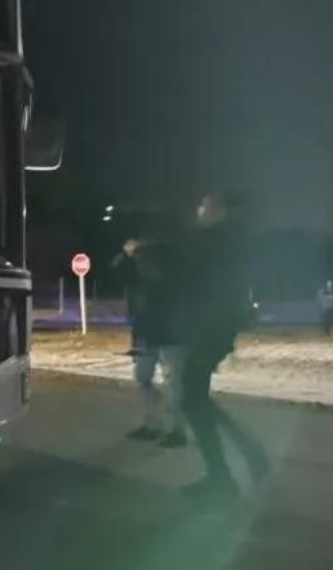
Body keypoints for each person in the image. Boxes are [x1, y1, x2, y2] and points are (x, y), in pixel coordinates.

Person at [174, 193, 268, 501]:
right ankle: (247, 456)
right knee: (195, 400)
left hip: (208, 331)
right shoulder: (230, 241)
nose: (199, 210)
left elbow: (198, 285)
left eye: (204, 206)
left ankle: (222, 480)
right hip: (214, 330)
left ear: (219, 211)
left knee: (192, 401)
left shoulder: (216, 243)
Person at [114, 237, 186, 446]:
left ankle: (176, 429)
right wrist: (126, 256)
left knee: (173, 383)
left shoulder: (174, 277)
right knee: (143, 377)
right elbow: (116, 272)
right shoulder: (139, 278)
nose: (142, 261)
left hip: (172, 335)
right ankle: (153, 424)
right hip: (146, 334)